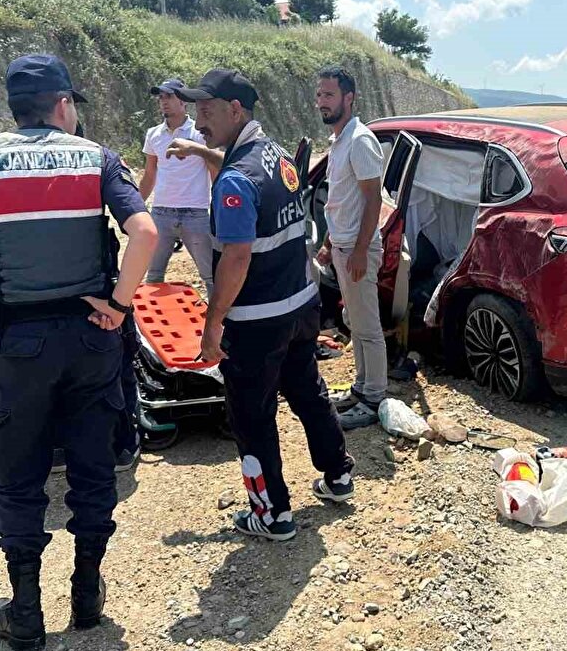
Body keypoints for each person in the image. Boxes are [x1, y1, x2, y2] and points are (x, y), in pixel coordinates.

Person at [0, 54, 157, 651]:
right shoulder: (97, 158)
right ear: (62, 104)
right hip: (91, 337)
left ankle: (26, 611)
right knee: (92, 462)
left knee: (19, 473)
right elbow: (144, 233)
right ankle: (87, 594)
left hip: (19, 342)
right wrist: (118, 306)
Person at [169, 68, 354, 541]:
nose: (198, 122)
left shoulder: (235, 180)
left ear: (235, 110)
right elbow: (242, 173)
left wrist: (213, 323)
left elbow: (236, 257)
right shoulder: (275, 155)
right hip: (300, 306)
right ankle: (338, 474)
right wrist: (201, 152)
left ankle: (272, 514)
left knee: (250, 416)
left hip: (256, 320)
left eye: (206, 111)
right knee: (307, 390)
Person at [314, 66, 387, 429]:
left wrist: (359, 251)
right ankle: (361, 388)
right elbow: (340, 201)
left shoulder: (359, 140)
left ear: (349, 98)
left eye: (329, 95)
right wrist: (329, 242)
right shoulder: (339, 141)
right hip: (343, 247)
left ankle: (374, 397)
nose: (322, 102)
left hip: (359, 250)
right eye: (319, 95)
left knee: (367, 328)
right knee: (355, 324)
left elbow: (373, 200)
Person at [138, 80, 214, 293]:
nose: (164, 101)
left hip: (195, 213)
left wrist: (220, 208)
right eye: (161, 97)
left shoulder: (200, 133)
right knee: (154, 276)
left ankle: (218, 314)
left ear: (183, 101)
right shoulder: (153, 134)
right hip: (161, 213)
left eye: (169, 96)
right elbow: (149, 174)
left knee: (210, 275)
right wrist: (134, 208)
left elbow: (214, 171)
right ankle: (155, 314)